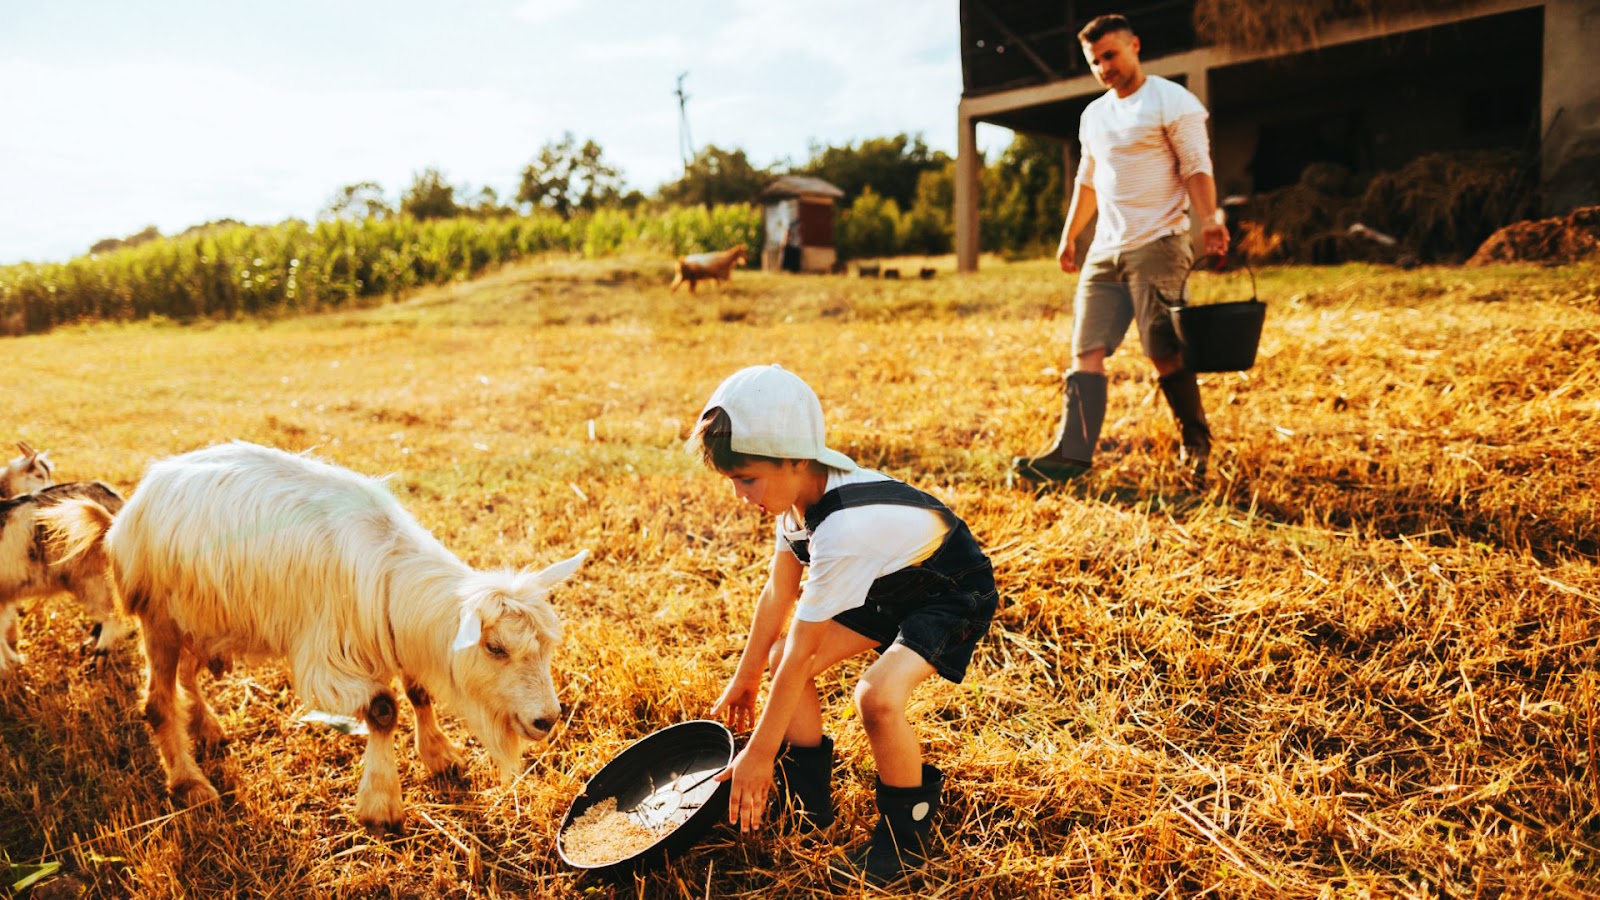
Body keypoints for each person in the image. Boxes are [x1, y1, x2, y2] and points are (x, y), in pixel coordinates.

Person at [685, 364, 999, 887]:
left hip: (948, 591)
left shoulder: (843, 529)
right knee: (782, 650)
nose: (741, 495)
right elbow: (777, 593)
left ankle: (906, 838)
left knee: (876, 697)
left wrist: (760, 752)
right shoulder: (795, 503)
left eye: (747, 478)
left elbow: (805, 653)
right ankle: (809, 802)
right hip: (886, 583)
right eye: (733, 481)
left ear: (796, 459)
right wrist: (745, 676)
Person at [1014, 13, 1231, 487]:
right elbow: (1087, 179)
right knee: (1085, 349)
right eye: (1096, 61)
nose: (1104, 67)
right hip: (1105, 250)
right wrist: (1071, 235)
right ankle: (1072, 455)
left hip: (1158, 242)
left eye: (1111, 55)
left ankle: (1195, 442)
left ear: (1135, 45)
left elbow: (1196, 166)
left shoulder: (1172, 101)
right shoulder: (1094, 114)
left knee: (1163, 350)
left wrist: (1210, 220)